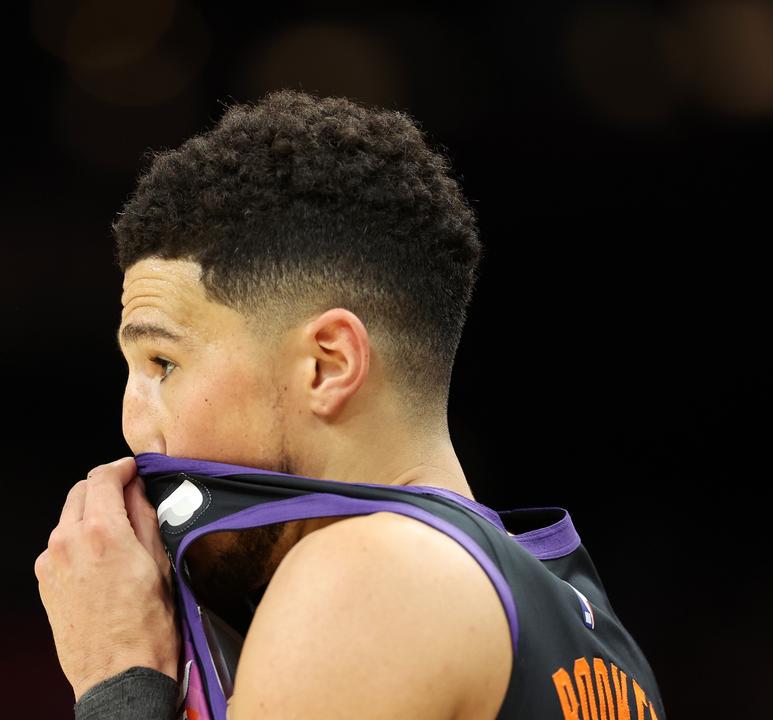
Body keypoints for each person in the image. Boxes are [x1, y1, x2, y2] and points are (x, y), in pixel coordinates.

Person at [34, 90, 663, 719]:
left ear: (328, 365)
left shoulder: (366, 579)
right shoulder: (595, 633)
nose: (136, 427)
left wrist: (118, 676)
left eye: (163, 364)